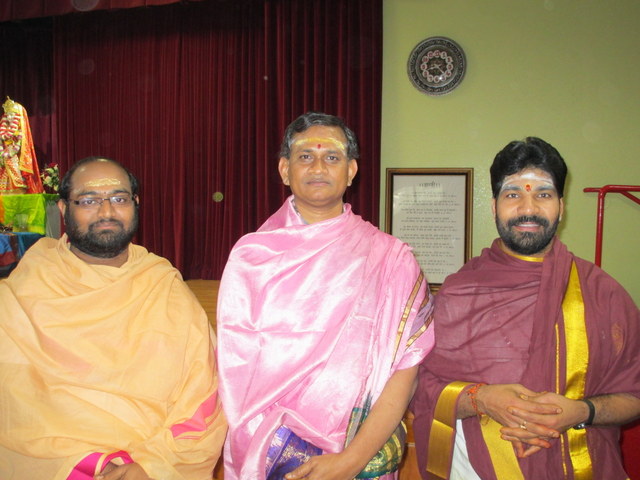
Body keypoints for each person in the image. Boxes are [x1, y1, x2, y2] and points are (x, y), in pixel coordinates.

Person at [217, 112, 435, 480]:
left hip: (359, 451)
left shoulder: (390, 258)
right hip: (268, 450)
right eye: (306, 156)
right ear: (285, 169)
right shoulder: (251, 257)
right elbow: (234, 372)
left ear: (351, 171)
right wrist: (274, 445)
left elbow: (406, 369)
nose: (318, 167)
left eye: (332, 157)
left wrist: (351, 460)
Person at [411, 137, 640, 480]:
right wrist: (481, 399)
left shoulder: (603, 294)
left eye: (543, 195)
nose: (528, 208)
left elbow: (633, 394)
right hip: (475, 468)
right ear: (494, 206)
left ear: (561, 206)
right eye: (513, 194)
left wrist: (581, 412)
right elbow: (417, 386)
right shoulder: (459, 292)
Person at [0, 157, 226, 479]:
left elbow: (204, 395)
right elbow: (12, 400)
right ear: (63, 209)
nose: (106, 212)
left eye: (119, 199)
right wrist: (88, 463)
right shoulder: (25, 290)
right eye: (88, 200)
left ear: (136, 204)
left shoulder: (163, 286)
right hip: (56, 462)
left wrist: (152, 465)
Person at [0, 97, 43, 194]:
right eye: (7, 115)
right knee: (3, 172)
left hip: (13, 154)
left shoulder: (18, 130)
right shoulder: (3, 129)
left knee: (14, 169)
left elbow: (19, 145)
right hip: (3, 154)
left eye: (11, 114)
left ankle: (18, 189)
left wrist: (11, 152)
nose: (9, 117)